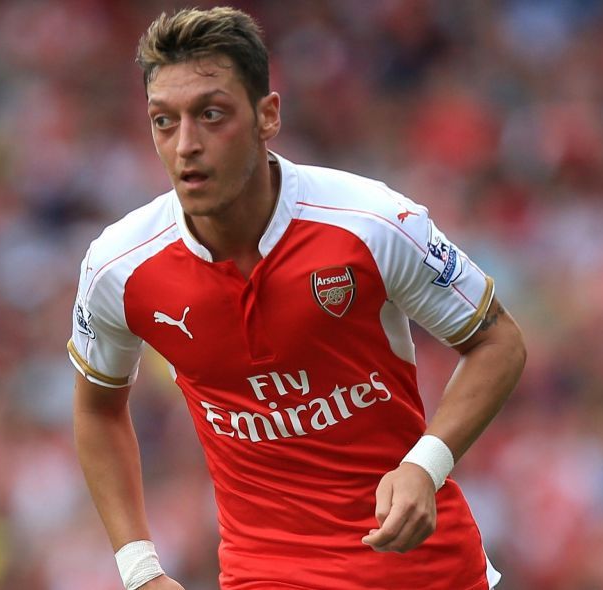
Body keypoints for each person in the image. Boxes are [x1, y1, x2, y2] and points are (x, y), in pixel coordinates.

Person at [68, 7, 526, 590]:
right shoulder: (118, 267)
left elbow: (498, 341)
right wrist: (139, 569)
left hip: (427, 571)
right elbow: (97, 409)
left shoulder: (372, 223)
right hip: (267, 573)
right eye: (164, 121)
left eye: (211, 115)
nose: (186, 145)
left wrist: (426, 464)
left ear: (267, 115)